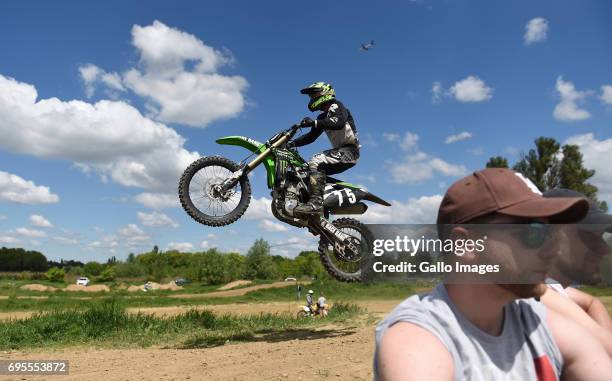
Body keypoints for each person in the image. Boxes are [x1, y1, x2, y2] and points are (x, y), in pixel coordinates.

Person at [374, 168, 612, 380]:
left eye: (551, 234)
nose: (554, 249)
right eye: (534, 234)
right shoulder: (419, 337)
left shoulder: (533, 317)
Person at [541, 188, 612, 331]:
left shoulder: (555, 292)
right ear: (551, 235)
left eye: (601, 236)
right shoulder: (538, 308)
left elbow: (591, 302)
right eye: (590, 235)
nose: (605, 250)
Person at [288, 82, 360, 215]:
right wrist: (291, 143)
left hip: (350, 152)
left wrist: (314, 122)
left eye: (313, 95)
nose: (311, 99)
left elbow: (339, 122)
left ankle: (315, 204)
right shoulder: (322, 117)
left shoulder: (337, 106)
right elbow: (310, 137)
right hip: (341, 152)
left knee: (316, 160)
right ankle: (315, 205)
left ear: (324, 93)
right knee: (303, 169)